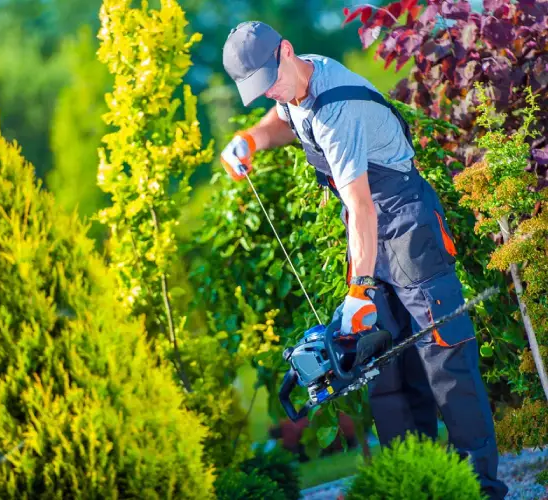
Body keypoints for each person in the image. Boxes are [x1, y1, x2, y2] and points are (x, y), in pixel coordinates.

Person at [220, 20, 509, 500]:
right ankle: (415, 487)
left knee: (447, 367)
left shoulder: (339, 111)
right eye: (260, 89)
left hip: (407, 226)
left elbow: (360, 206)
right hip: (373, 232)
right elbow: (282, 121)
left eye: (271, 80)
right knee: (387, 372)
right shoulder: (295, 89)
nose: (271, 92)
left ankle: (482, 491)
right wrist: (250, 139)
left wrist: (360, 290)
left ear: (286, 50)